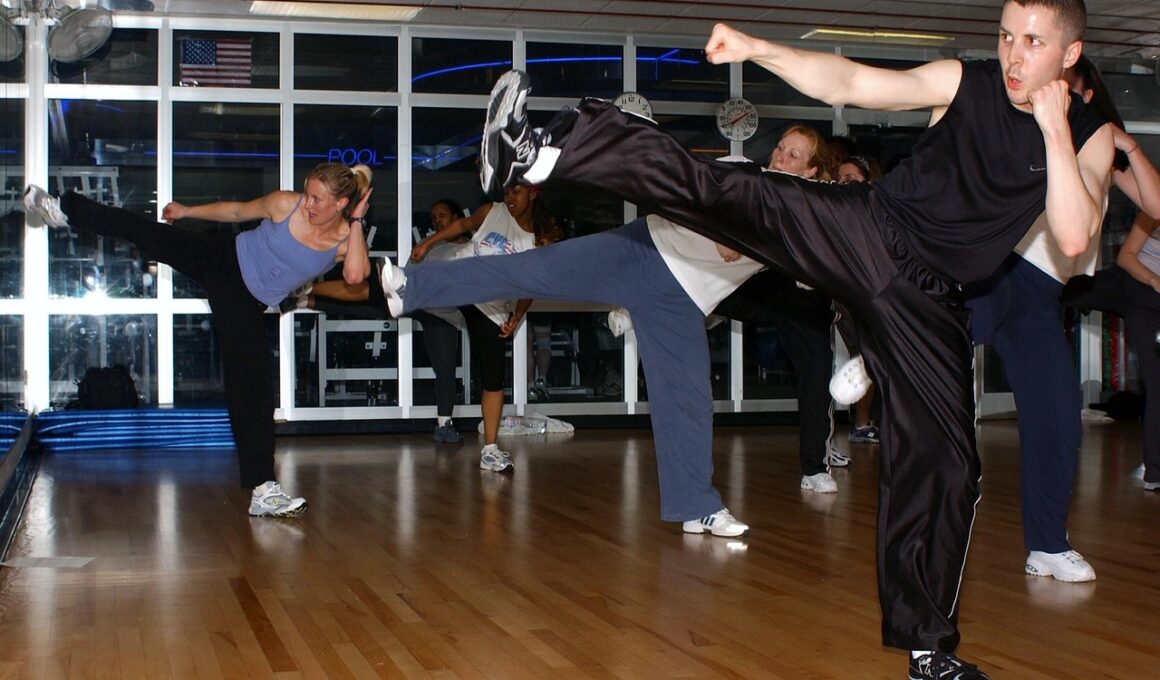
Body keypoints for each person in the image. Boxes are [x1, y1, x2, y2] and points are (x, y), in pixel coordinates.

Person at [474, 1, 1113, 676]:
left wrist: (1053, 128)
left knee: (951, 468)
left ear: (1069, 54)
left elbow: (1074, 235)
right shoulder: (970, 81)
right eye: (1007, 36)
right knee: (727, 192)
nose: (1014, 55)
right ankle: (541, 150)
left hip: (933, 303)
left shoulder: (1085, 133)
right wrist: (760, 49)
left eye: (1033, 42)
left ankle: (928, 651)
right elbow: (852, 82)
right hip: (871, 233)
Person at [24, 162, 373, 517]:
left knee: (252, 389)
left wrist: (358, 221)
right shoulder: (287, 204)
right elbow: (237, 211)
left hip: (244, 303)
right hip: (221, 257)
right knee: (145, 232)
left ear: (341, 203)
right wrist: (187, 211)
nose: (307, 203)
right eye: (307, 193)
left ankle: (263, 491)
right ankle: (63, 208)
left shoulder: (345, 240)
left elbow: (356, 276)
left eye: (316, 199)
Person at [964, 54, 1160, 584]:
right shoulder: (1029, 132)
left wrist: (1128, 145)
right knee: (944, 335)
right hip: (1001, 272)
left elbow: (1156, 204)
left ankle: (1048, 546)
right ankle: (882, 355)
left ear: (1087, 95)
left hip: (1042, 296)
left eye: (1066, 88)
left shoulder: (1097, 145)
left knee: (1057, 418)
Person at [712, 124, 848, 495]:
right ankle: (699, 302)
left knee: (816, 377)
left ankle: (814, 469)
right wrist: (723, 237)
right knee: (702, 283)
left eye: (793, 155)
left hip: (805, 300)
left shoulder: (820, 202)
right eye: (780, 148)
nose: (780, 157)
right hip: (761, 284)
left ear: (811, 171)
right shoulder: (753, 182)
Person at [285, 198, 470, 444]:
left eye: (442, 216)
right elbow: (409, 274)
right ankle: (305, 295)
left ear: (457, 219)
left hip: (445, 313)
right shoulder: (431, 246)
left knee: (444, 367)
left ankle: (444, 424)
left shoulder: (471, 248)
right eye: (434, 218)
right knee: (368, 297)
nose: (437, 221)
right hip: (417, 301)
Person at [409, 184, 562, 473]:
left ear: (533, 193)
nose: (509, 198)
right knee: (426, 285)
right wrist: (428, 243)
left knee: (493, 379)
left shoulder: (537, 239)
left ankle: (489, 451)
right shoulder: (493, 211)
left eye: (516, 192)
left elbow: (528, 286)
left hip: (490, 307)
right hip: (461, 279)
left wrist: (517, 316)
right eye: (507, 192)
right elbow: (462, 225)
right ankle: (403, 285)